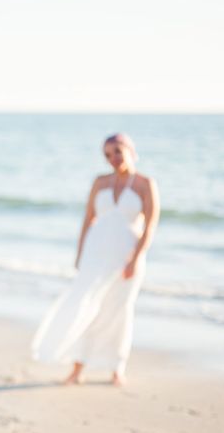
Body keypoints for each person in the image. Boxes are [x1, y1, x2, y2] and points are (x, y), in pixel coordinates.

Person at [32, 133, 160, 386]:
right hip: (95, 253)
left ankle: (116, 368)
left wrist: (135, 259)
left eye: (117, 152)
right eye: (107, 154)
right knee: (86, 305)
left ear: (130, 151)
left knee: (120, 309)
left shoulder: (146, 184)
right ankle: (77, 368)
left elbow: (150, 227)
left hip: (126, 256)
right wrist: (80, 254)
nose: (112, 158)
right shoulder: (100, 182)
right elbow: (88, 219)